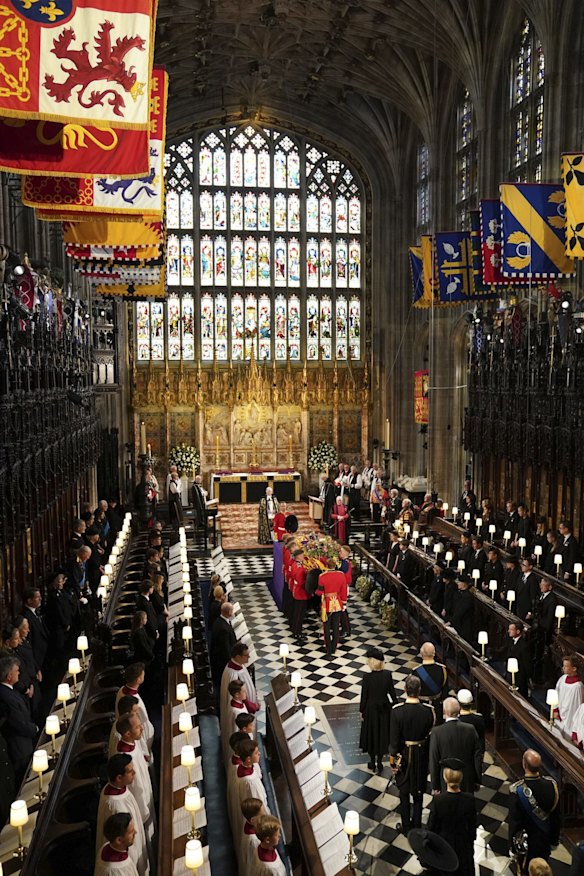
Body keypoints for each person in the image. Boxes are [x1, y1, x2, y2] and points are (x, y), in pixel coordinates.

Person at [389, 674, 435, 835]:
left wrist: (392, 761)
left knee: (403, 792)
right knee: (419, 792)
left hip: (404, 757)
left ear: (405, 690)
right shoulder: (429, 711)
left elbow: (394, 741)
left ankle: (406, 826)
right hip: (421, 756)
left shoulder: (397, 712)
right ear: (420, 690)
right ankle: (416, 826)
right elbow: (429, 736)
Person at [96, 755, 149, 876]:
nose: (134, 773)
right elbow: (123, 833)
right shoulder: (115, 805)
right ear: (119, 778)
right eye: (130, 771)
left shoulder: (117, 790)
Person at [508, 749, 560, 870]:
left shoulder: (517, 791)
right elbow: (556, 817)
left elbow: (515, 823)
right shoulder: (552, 785)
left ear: (524, 764)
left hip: (527, 844)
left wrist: (513, 847)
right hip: (545, 841)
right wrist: (554, 840)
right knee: (542, 869)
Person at [427, 764, 476, 876]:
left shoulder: (438, 801)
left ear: (445, 779)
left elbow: (432, 826)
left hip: (444, 845)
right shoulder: (469, 799)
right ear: (460, 778)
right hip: (463, 843)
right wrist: (470, 844)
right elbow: (472, 826)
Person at [115, 713, 155, 841]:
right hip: (142, 805)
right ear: (127, 733)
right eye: (138, 727)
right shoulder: (126, 759)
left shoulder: (133, 742)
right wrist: (144, 812)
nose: (142, 728)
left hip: (147, 794)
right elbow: (136, 788)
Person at [429, 697, 481, 794]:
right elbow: (477, 756)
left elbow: (434, 759)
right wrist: (477, 780)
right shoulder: (470, 729)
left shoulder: (437, 732)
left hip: (445, 779)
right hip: (466, 778)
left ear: (445, 711)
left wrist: (435, 785)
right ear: (459, 710)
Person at [0, 656, 38, 784]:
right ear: (9, 676)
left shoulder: (9, 690)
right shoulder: (6, 696)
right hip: (20, 749)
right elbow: (18, 723)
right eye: (16, 671)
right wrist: (35, 729)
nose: (19, 673)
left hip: (24, 744)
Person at [359, 646, 396, 772]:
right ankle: (380, 762)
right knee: (382, 735)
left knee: (371, 735)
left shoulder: (367, 678)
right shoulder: (387, 675)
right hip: (384, 709)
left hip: (371, 710)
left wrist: (361, 711)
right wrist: (396, 706)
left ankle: (372, 761)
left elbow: (364, 696)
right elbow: (392, 693)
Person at [115, 664, 154, 758]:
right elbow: (142, 722)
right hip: (141, 737)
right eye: (143, 675)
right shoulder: (134, 702)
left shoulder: (121, 690)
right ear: (138, 680)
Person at [220, 642, 259, 720]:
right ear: (238, 656)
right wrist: (253, 706)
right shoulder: (233, 674)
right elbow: (239, 698)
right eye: (246, 655)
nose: (249, 657)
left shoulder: (240, 665)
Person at [315, 559, 346, 656]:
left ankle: (328, 648)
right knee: (336, 626)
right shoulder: (341, 575)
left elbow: (319, 592)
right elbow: (343, 590)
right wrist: (344, 602)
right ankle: (334, 648)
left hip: (327, 604)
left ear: (326, 566)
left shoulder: (322, 576)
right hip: (337, 603)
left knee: (326, 627)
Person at [412, 642, 448, 723]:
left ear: (421, 654)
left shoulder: (416, 671)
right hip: (437, 708)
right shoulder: (442, 669)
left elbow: (413, 693)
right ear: (434, 654)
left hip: (421, 708)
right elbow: (445, 691)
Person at [553, 655, 584, 739]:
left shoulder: (578, 686)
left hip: (570, 719)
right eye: (563, 666)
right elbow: (556, 693)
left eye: (566, 666)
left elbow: (577, 706)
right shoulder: (562, 679)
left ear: (574, 668)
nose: (563, 668)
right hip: (559, 714)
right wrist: (555, 709)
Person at [22, 587, 49, 675]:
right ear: (29, 600)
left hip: (44, 656)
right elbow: (29, 642)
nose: (40, 599)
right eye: (37, 597)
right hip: (38, 659)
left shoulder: (35, 612)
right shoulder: (26, 617)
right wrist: (36, 667)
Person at [210, 602, 237, 689]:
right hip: (222, 665)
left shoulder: (218, 620)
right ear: (229, 612)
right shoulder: (223, 629)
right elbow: (225, 650)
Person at [457, 689, 485, 762]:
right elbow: (481, 738)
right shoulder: (479, 718)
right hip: (474, 754)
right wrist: (482, 753)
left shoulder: (456, 721)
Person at [240, 797, 264, 874]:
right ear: (253, 820)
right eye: (262, 816)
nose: (264, 817)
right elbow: (255, 864)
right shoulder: (254, 840)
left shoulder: (248, 824)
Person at [507, 621, 531, 699]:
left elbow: (526, 665)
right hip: (510, 676)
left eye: (511, 629)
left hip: (519, 680)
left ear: (518, 631)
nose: (508, 631)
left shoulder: (524, 646)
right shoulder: (511, 641)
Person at [448, 577, 474, 644]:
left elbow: (460, 611)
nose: (458, 584)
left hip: (464, 625)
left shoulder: (468, 597)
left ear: (464, 584)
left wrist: (450, 622)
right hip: (458, 622)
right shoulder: (459, 594)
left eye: (459, 582)